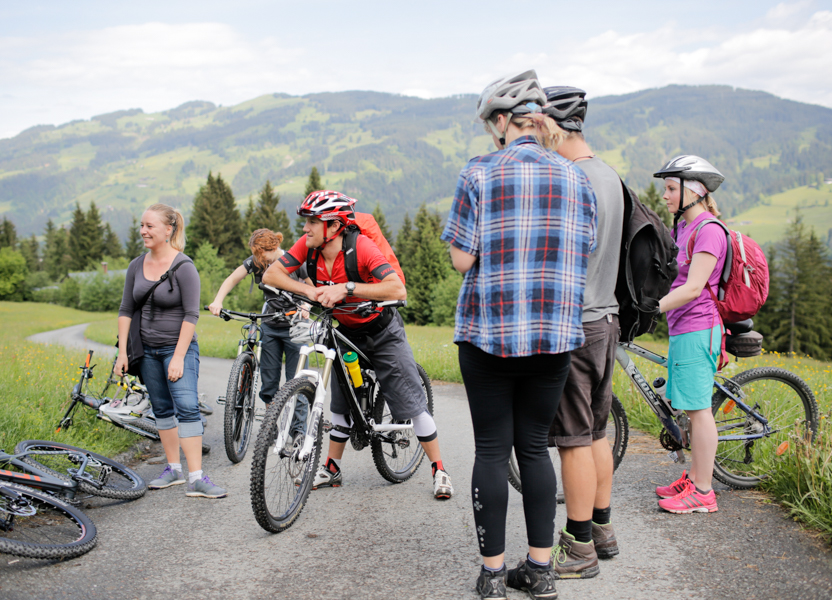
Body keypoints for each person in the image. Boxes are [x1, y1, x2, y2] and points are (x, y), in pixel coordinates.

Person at [442, 71, 597, 600]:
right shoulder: (576, 177)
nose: (490, 134)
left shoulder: (480, 172)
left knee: (491, 450)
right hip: (554, 337)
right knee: (534, 449)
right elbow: (585, 246)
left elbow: (463, 258)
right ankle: (541, 571)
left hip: (488, 334)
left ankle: (491, 576)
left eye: (491, 124)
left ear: (505, 121)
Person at [262, 189, 453, 501]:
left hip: (381, 330)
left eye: (313, 221)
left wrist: (346, 288)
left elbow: (397, 288)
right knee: (339, 403)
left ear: (335, 226)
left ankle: (439, 469)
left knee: (409, 401)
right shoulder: (308, 247)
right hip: (346, 330)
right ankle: (332, 468)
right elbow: (273, 273)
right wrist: (309, 293)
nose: (305, 228)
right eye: (306, 222)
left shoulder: (361, 248)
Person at [540, 86, 624, 579]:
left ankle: (579, 549)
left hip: (574, 325)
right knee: (595, 431)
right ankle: (603, 530)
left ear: (553, 127)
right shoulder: (609, 175)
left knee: (572, 439)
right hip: (606, 320)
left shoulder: (570, 179)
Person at [116, 203, 226, 499]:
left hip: (178, 349)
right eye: (142, 225)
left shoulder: (184, 267)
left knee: (187, 406)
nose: (143, 231)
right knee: (161, 409)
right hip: (146, 350)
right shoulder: (136, 265)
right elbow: (126, 309)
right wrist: (123, 353)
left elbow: (191, 315)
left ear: (169, 229)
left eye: (150, 226)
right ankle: (173, 470)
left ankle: (197, 477)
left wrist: (177, 357)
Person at [649, 155, 727, 514]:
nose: (665, 195)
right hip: (683, 328)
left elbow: (694, 287)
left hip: (699, 327)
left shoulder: (709, 230)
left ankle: (704, 492)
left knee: (699, 412)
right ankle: (694, 478)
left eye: (670, 188)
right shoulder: (683, 228)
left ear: (693, 191)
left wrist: (652, 308)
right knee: (691, 408)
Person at [208, 228, 308, 410]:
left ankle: (298, 432)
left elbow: (314, 287)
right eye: (258, 255)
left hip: (296, 326)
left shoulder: (294, 261)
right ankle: (270, 430)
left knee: (297, 383)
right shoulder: (259, 262)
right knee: (269, 384)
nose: (262, 260)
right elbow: (232, 279)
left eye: (265, 254)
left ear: (275, 246)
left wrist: (307, 306)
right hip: (270, 325)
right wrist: (218, 300)